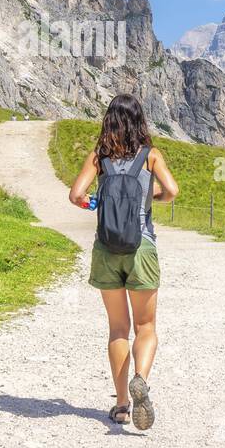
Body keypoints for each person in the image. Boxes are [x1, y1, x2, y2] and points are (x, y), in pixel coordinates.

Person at [68, 94, 179, 430]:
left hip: (106, 248)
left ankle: (121, 406)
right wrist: (151, 198)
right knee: (146, 327)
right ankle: (141, 379)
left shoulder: (98, 157)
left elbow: (75, 195)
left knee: (118, 329)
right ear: (139, 121)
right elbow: (172, 190)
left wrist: (95, 206)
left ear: (109, 120)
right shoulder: (151, 156)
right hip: (142, 247)